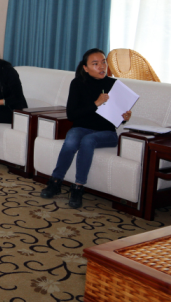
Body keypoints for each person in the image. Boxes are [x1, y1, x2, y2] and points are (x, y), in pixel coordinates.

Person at [40, 48, 132, 209]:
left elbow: (118, 117)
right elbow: (71, 114)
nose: (101, 66)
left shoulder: (114, 85)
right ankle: (55, 182)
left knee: (88, 140)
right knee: (71, 140)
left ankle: (78, 187)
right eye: (95, 63)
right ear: (85, 68)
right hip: (81, 127)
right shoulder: (77, 83)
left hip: (107, 133)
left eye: (103, 62)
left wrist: (124, 117)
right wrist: (96, 103)